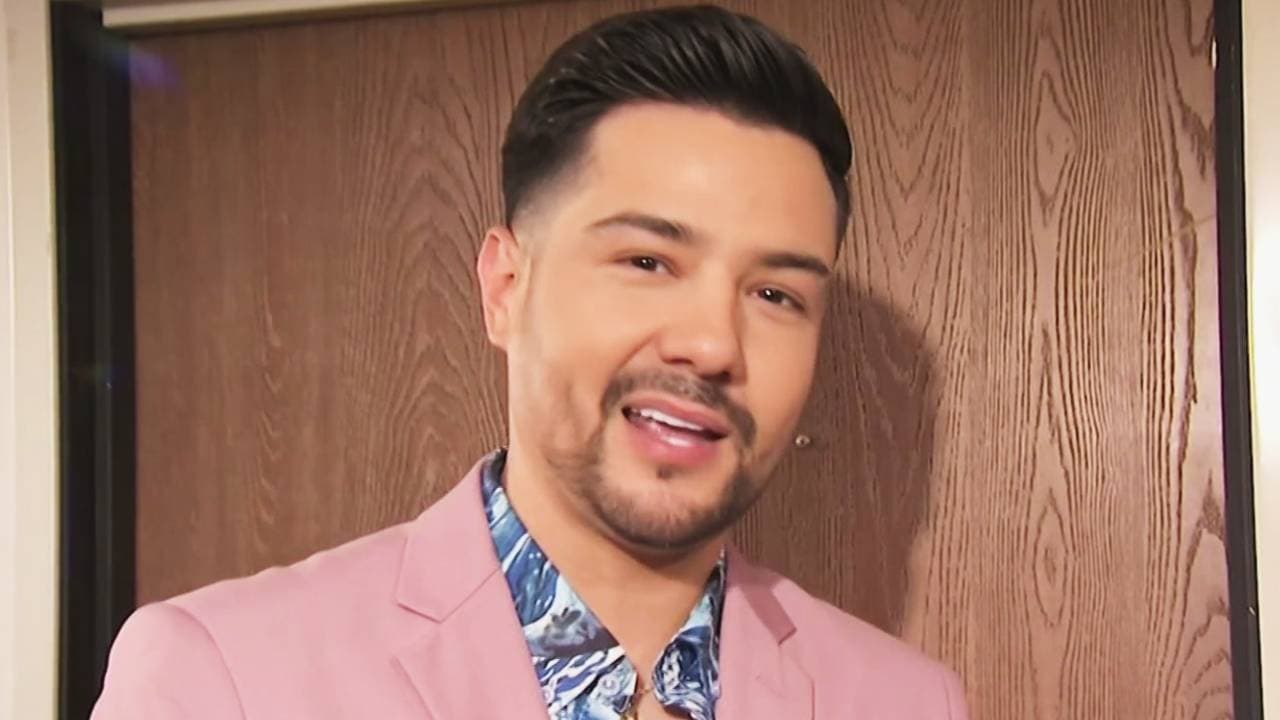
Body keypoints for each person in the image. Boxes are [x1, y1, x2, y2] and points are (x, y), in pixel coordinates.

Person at [93, 5, 968, 719]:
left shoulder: (904, 702)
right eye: (647, 261)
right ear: (505, 287)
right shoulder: (225, 678)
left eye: (775, 294)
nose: (713, 345)